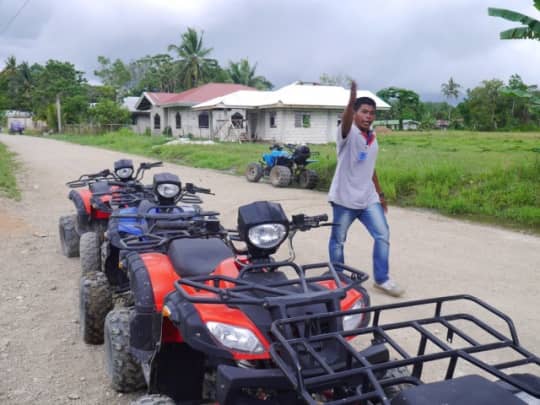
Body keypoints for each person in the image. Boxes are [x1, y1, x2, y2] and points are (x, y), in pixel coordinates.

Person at [328, 80, 404, 297]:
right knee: (338, 240)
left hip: (368, 198)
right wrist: (352, 96)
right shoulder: (346, 134)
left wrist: (380, 195)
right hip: (344, 200)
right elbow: (345, 120)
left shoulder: (372, 137)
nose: (368, 116)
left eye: (372, 113)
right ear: (354, 113)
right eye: (363, 112)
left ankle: (382, 279)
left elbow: (370, 167)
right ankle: (338, 277)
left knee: (383, 235)